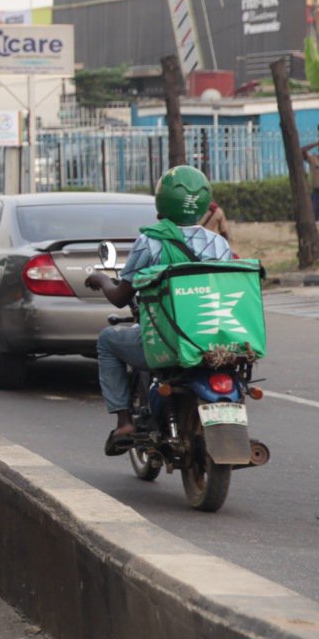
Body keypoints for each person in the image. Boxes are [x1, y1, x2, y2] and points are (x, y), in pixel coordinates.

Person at [85, 166, 232, 456]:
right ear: (204, 204)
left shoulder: (151, 241)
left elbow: (120, 297)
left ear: (161, 203)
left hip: (166, 342)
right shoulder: (218, 244)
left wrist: (101, 279)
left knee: (107, 340)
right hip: (211, 339)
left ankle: (124, 423)